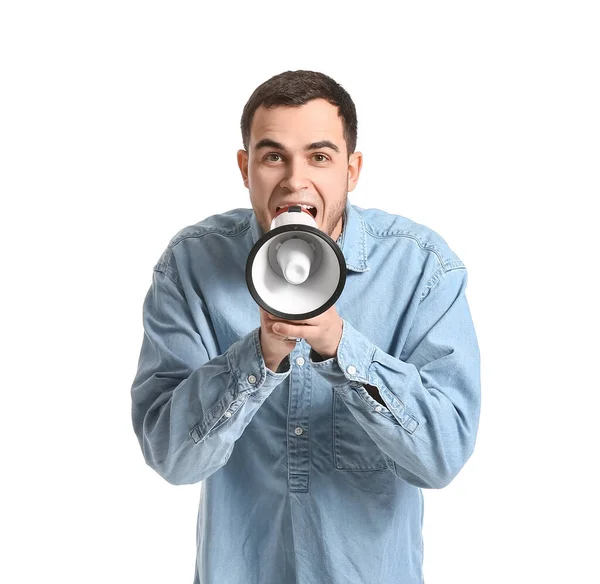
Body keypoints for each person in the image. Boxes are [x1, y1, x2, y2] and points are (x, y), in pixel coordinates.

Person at [130, 70, 481, 584]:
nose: (295, 180)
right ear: (246, 168)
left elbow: (441, 458)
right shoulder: (191, 265)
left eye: (320, 157)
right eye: (274, 157)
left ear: (351, 170)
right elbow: (171, 458)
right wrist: (259, 355)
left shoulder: (423, 271)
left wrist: (343, 346)